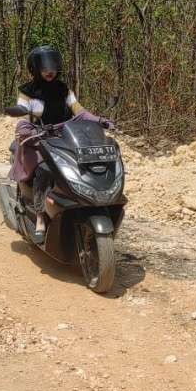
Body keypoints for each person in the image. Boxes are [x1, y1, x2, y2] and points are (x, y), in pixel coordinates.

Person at [8, 45, 114, 243]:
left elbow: (80, 112)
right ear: (36, 68)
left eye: (53, 67)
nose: (50, 71)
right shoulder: (28, 92)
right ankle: (40, 216)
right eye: (45, 67)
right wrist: (20, 119)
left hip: (66, 136)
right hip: (38, 138)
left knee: (83, 162)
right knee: (44, 170)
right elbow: (22, 111)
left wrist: (100, 120)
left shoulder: (64, 90)